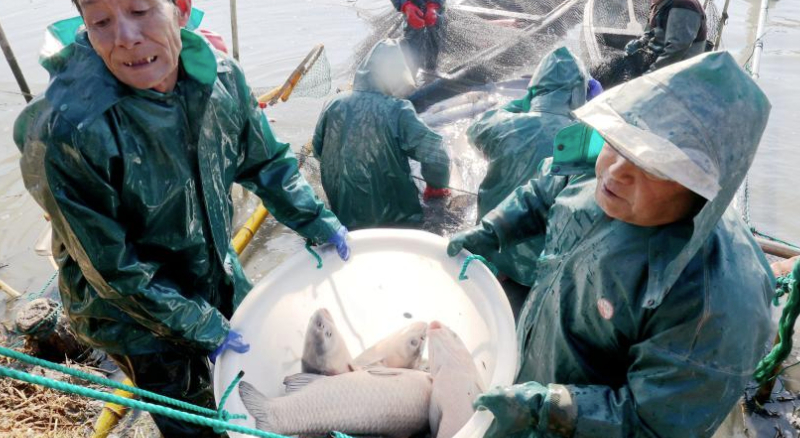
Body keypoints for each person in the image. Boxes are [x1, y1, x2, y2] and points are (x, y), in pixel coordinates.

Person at [14, 0, 349, 436]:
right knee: (191, 415)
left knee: (267, 374)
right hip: (130, 315)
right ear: (84, 27)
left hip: (210, 265)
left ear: (181, 8)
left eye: (140, 9)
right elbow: (113, 270)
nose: (125, 37)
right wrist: (204, 327)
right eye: (100, 21)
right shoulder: (65, 131)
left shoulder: (223, 79)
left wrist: (317, 220)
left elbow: (265, 162)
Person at [447, 52, 774, 437]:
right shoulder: (597, 173)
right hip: (538, 353)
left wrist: (550, 409)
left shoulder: (717, 303)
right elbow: (550, 189)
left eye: (652, 165)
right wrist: (494, 229)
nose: (616, 172)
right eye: (618, 141)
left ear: (702, 188)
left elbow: (656, 424)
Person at [466, 47, 600, 314]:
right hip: (546, 267)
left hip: (495, 248)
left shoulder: (503, 124)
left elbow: (475, 130)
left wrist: (515, 106)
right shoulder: (587, 139)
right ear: (577, 94)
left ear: (534, 90)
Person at [313, 39, 451, 230]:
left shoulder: (333, 104)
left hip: (342, 212)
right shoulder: (398, 110)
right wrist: (436, 186)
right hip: (395, 217)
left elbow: (317, 150)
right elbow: (436, 154)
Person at [624, 0, 708, 76]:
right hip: (658, 64)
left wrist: (650, 75)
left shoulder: (684, 5)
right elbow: (651, 32)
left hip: (680, 77)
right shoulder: (661, 2)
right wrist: (640, 43)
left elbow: (676, 49)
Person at [383, 0, 457, 74]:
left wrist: (434, 4)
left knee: (436, 37)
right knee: (412, 45)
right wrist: (405, 5)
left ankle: (431, 72)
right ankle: (409, 76)